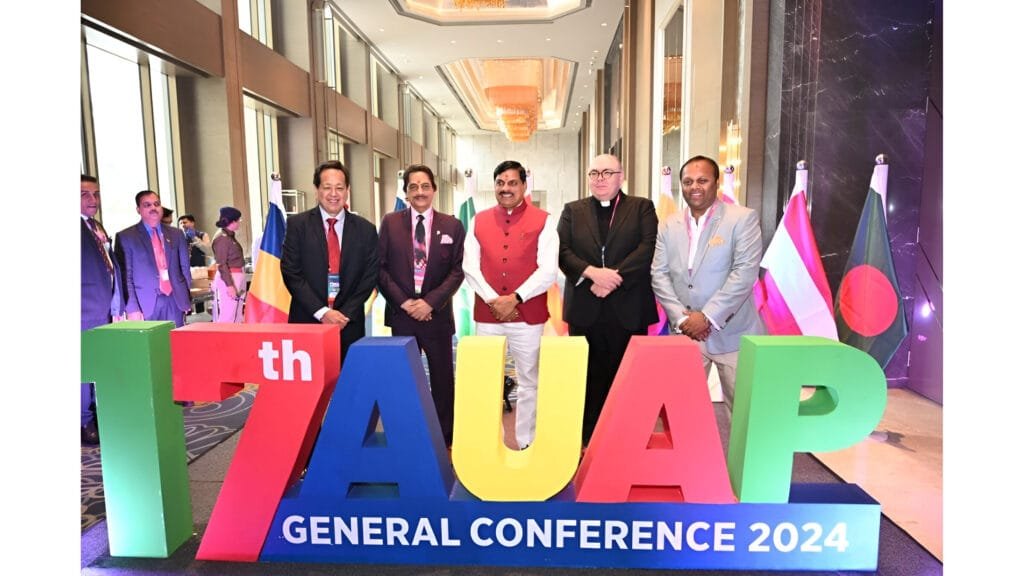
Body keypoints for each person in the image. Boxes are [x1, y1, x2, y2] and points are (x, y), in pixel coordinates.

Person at [650, 155, 764, 422]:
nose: (694, 187)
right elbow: (659, 273)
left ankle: (743, 465)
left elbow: (744, 273)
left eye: (702, 180)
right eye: (687, 182)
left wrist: (708, 316)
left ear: (716, 182)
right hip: (686, 332)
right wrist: (681, 318)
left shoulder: (742, 218)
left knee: (744, 414)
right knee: (681, 413)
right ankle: (687, 464)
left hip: (733, 333)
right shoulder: (669, 223)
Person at [557, 154, 658, 445]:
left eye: (607, 172)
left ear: (620, 176)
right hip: (585, 309)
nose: (599, 178)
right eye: (594, 173)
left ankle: (626, 442)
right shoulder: (572, 211)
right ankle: (587, 440)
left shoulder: (641, 207)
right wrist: (591, 274)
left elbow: (647, 247)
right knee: (587, 379)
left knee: (627, 380)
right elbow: (562, 251)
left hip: (627, 308)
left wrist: (613, 278)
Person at [463, 160, 558, 450]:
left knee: (530, 380)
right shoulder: (478, 220)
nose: (506, 189)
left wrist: (515, 299)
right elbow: (470, 267)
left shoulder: (544, 219)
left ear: (523, 186)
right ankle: (491, 442)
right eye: (500, 183)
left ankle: (526, 440)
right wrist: (495, 301)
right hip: (488, 316)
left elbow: (548, 270)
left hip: (527, 316)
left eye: (512, 183)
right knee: (487, 380)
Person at [377, 165, 466, 447]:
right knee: (403, 380)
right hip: (402, 316)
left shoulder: (452, 225)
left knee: (442, 379)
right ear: (406, 192)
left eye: (425, 186)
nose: (419, 192)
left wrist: (429, 303)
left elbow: (457, 270)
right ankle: (406, 434)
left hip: (436, 316)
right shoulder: (390, 223)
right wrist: (404, 303)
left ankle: (445, 436)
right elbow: (379, 268)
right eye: (413, 187)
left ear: (434, 190)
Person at [281, 160, 379, 362]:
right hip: (308, 318)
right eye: (327, 187)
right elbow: (291, 272)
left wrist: (344, 314)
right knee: (309, 388)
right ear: (317, 190)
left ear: (348, 190)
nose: (334, 194)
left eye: (339, 188)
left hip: (349, 323)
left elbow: (370, 276)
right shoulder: (297, 225)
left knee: (348, 386)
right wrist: (322, 312)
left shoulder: (366, 229)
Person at [80, 174, 124, 445]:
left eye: (95, 194)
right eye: (84, 194)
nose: (93, 200)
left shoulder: (95, 226)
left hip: (105, 308)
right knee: (83, 369)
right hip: (83, 310)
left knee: (99, 366)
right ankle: (83, 421)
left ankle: (97, 414)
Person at [114, 190, 193, 327]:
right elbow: (126, 277)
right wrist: (132, 308)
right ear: (138, 209)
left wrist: (185, 297)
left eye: (156, 204)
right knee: (151, 347)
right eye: (147, 205)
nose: (153, 208)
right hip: (145, 304)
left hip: (175, 300)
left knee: (176, 345)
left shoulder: (176, 234)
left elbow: (185, 268)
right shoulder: (126, 237)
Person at [211, 206, 246, 323]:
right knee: (228, 314)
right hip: (230, 277)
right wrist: (229, 285)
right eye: (238, 220)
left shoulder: (229, 236)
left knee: (236, 313)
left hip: (236, 276)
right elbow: (222, 264)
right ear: (233, 221)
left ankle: (234, 339)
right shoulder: (222, 238)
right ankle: (223, 341)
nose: (239, 222)